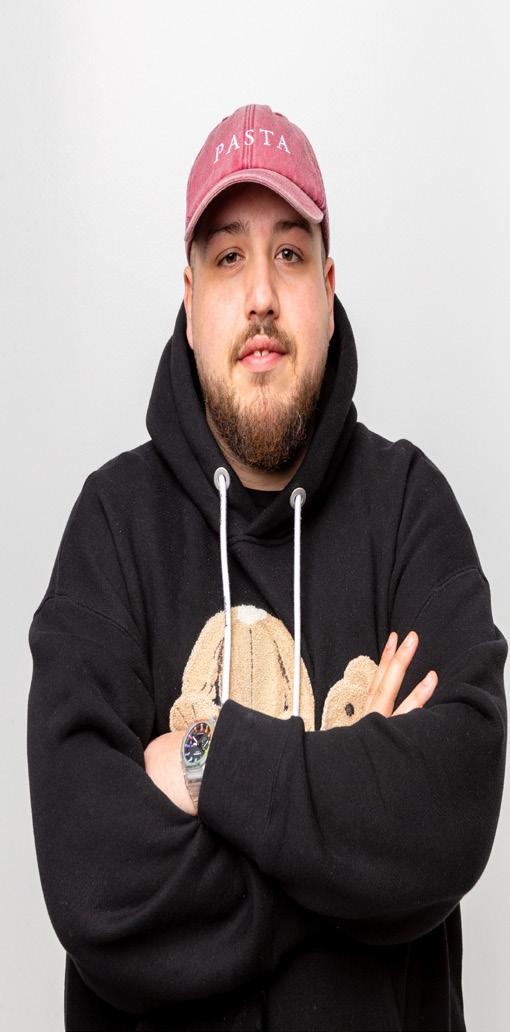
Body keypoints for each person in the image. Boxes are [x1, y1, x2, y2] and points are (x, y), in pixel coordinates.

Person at [26, 103, 507, 1032]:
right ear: (190, 302)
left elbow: (452, 809)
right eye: (227, 257)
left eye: (289, 253)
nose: (259, 295)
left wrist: (205, 760)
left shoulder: (411, 508)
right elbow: (93, 883)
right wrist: (352, 838)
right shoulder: (110, 528)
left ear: (327, 288)